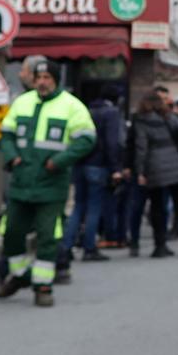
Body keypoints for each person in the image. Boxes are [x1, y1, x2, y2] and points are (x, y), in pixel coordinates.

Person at [0, 56, 96, 307]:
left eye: (46, 78)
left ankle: (42, 287)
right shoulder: (22, 102)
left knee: (48, 237)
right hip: (21, 181)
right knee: (12, 234)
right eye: (38, 78)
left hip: (51, 184)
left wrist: (59, 160)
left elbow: (86, 140)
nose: (41, 82)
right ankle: (19, 276)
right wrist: (12, 157)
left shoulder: (72, 106)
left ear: (56, 80)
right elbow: (5, 134)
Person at [58, 84, 125, 271]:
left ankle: (66, 246)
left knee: (79, 206)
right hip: (98, 164)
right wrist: (115, 168)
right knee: (94, 207)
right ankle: (89, 247)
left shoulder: (86, 109)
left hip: (80, 163)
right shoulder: (111, 113)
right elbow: (113, 142)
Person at [129, 91, 178, 259]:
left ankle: (160, 245)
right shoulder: (169, 117)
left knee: (157, 207)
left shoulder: (141, 121)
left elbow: (141, 148)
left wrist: (140, 170)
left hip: (154, 167)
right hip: (175, 164)